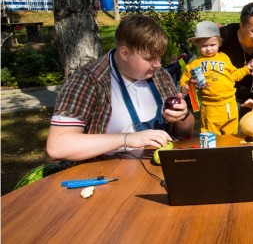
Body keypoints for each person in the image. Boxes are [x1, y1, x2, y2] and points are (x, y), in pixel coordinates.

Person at [46, 15, 194, 162]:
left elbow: (185, 130)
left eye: (159, 57)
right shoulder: (88, 79)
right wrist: (127, 139)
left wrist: (183, 115)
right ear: (124, 52)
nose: (158, 64)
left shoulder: (159, 75)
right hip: (106, 174)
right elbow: (58, 147)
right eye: (149, 58)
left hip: (158, 169)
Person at [180, 21, 253, 135]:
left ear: (219, 43)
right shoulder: (195, 64)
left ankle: (231, 152)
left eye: (212, 45)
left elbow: (234, 75)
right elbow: (185, 76)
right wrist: (185, 85)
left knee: (231, 136)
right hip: (209, 107)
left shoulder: (224, 58)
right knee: (209, 137)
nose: (209, 49)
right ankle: (212, 153)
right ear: (197, 45)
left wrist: (247, 68)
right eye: (204, 46)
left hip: (229, 104)